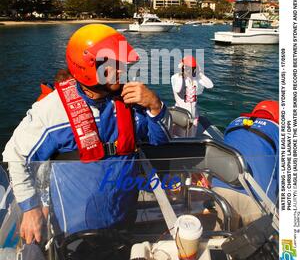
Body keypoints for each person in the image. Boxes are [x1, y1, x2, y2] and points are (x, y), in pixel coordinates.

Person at [2, 24, 172, 244]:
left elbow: (162, 143)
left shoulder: (132, 100)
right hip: (73, 227)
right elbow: (15, 154)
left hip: (123, 214)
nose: (122, 70)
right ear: (88, 69)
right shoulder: (53, 110)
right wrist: (31, 208)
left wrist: (155, 106)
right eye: (112, 65)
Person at [212, 100, 279, 231]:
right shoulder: (278, 130)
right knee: (256, 243)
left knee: (221, 236)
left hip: (221, 188)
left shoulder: (235, 122)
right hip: (256, 197)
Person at [171, 56, 213, 137]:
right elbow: (178, 89)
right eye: (187, 68)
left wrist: (200, 73)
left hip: (193, 115)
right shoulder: (175, 77)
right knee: (180, 137)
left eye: (191, 68)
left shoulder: (195, 78)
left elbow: (210, 85)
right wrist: (182, 74)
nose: (189, 70)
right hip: (181, 114)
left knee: (191, 137)